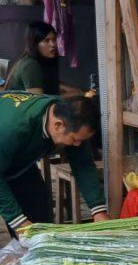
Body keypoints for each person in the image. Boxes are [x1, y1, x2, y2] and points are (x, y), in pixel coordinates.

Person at [0, 91, 109, 237]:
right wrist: (19, 222)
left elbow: (83, 165)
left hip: (16, 159)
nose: (78, 144)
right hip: (6, 143)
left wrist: (98, 210)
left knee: (38, 215)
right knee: (19, 222)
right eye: (75, 139)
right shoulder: (12, 129)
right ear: (58, 125)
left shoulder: (70, 117)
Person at [3, 21, 77, 95]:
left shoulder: (42, 61)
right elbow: (39, 102)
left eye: (54, 39)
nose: (53, 44)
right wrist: (72, 95)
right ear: (35, 44)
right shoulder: (30, 65)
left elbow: (51, 83)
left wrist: (76, 91)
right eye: (47, 40)